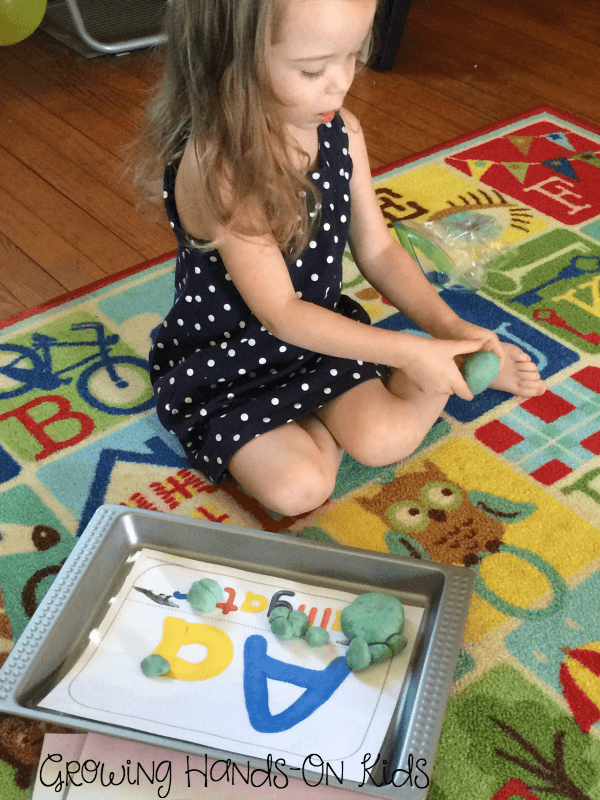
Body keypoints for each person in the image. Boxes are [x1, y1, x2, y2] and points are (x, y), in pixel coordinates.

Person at [136, 0, 546, 517]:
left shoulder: (341, 131)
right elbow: (280, 312)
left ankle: (451, 366)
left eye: (354, 55)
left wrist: (447, 330)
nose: (340, 84)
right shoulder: (221, 167)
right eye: (312, 69)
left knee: (385, 442)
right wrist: (406, 351)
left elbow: (378, 249)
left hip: (320, 341)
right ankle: (357, 403)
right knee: (297, 491)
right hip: (227, 366)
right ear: (230, 61)